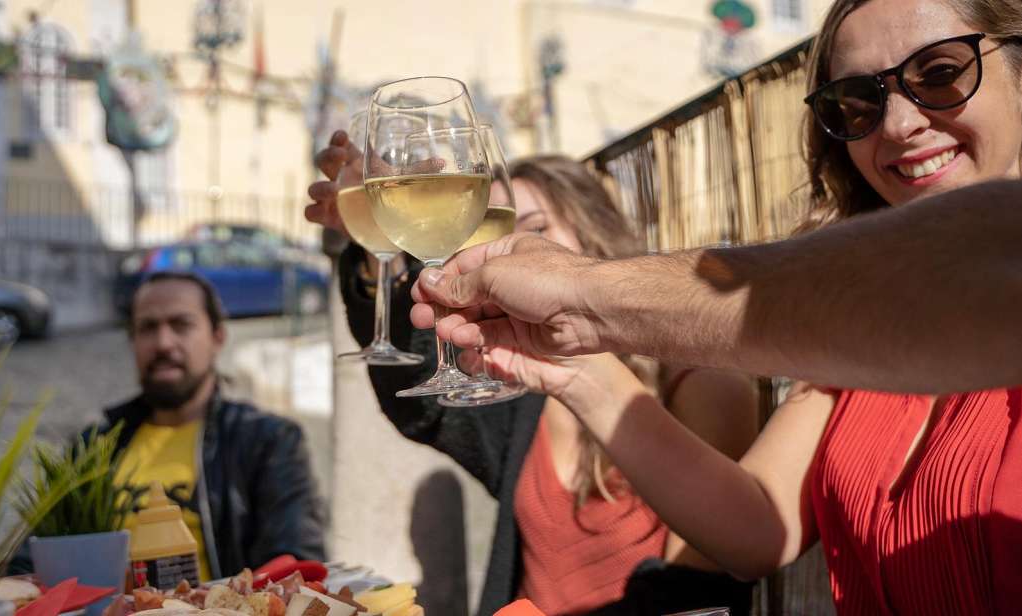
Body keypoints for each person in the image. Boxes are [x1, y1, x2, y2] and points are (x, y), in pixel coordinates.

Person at [424, 1, 1022, 613]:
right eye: (859, 102)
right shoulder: (858, 341)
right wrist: (580, 370)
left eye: (941, 73)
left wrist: (583, 293)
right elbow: (760, 527)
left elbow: (989, 252)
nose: (896, 124)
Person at [309, 152, 758, 615]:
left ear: (595, 234)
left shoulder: (701, 385)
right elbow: (425, 404)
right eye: (496, 238)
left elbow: (700, 588)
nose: (513, 255)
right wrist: (378, 252)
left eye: (536, 230)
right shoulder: (530, 385)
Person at [92, 271, 325, 580]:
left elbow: (294, 566)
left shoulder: (268, 442)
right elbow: (33, 561)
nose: (163, 343)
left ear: (218, 337)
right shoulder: (95, 448)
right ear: (132, 340)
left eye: (181, 325)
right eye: (148, 328)